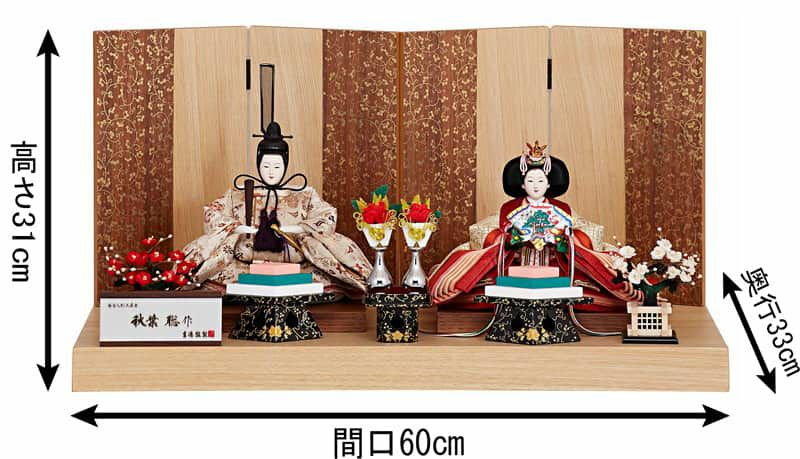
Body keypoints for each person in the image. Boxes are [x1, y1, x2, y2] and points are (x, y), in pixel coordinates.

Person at [428, 141, 643, 311]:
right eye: (530, 181)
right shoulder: (509, 208)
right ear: (522, 184)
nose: (536, 186)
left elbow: (591, 231)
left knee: (596, 284)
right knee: (477, 283)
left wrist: (563, 239)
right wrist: (511, 239)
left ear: (549, 183)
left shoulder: (562, 209)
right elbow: (481, 231)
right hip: (515, 262)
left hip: (556, 262)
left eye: (541, 181)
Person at [182, 121, 372, 295]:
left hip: (295, 259)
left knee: (324, 250)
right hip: (245, 259)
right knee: (214, 255)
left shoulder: (305, 194)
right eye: (266, 166)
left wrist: (297, 228)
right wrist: (238, 227)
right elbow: (213, 213)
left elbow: (326, 215)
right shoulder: (237, 193)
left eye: (277, 167)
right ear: (258, 165)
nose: (271, 172)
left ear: (285, 166)